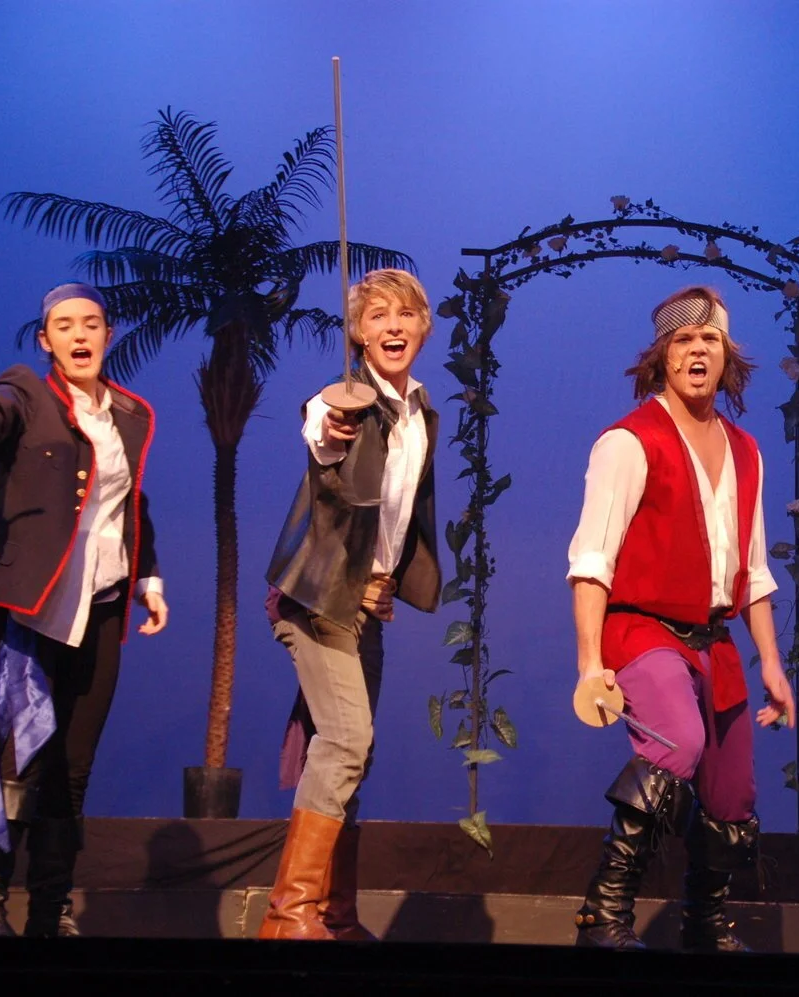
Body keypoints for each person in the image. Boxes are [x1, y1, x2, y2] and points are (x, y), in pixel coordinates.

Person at [0, 281, 168, 937]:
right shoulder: (26, 393)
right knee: (23, 753)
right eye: (64, 325)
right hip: (25, 612)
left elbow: (130, 502)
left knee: (73, 767)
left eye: (91, 323)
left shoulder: (131, 413)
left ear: (108, 334)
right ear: (45, 341)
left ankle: (50, 909)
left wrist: (148, 577)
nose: (79, 334)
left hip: (102, 610)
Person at [566, 285, 795, 952]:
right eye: (684, 339)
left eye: (710, 339)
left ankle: (704, 924)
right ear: (663, 355)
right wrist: (590, 663)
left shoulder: (747, 451)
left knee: (732, 790)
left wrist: (772, 663)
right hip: (641, 629)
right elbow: (592, 560)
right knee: (676, 741)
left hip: (712, 639)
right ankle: (603, 913)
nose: (698, 350)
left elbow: (753, 570)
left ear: (727, 356)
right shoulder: (629, 442)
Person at [259, 269, 440, 940]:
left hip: (364, 605)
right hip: (317, 600)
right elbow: (324, 430)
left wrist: (386, 576)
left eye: (406, 314)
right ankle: (289, 915)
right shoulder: (346, 400)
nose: (393, 325)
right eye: (378, 315)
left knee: (351, 757)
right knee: (345, 739)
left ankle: (333, 914)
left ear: (423, 329)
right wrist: (334, 423)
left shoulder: (420, 411)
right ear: (359, 334)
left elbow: (398, 513)